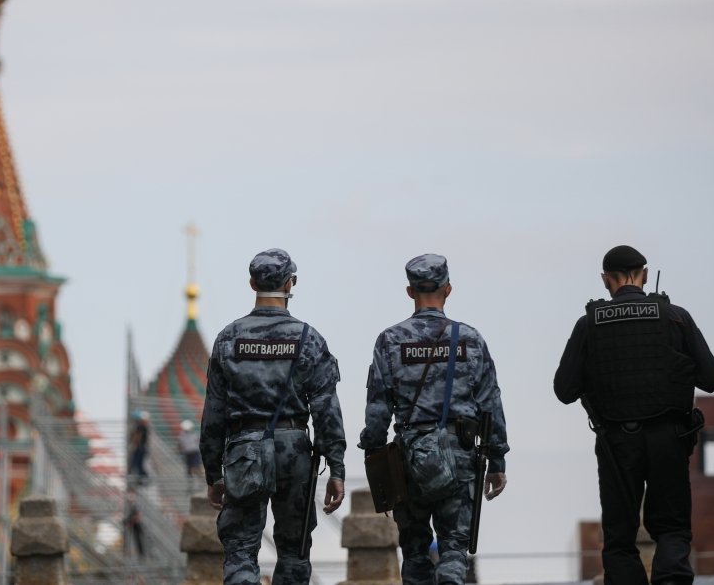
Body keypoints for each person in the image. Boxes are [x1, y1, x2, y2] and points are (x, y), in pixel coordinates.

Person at [554, 245, 714, 584]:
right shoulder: (675, 316)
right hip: (670, 438)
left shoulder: (589, 324)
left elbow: (564, 390)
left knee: (619, 536)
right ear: (644, 274)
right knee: (673, 527)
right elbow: (712, 379)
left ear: (605, 279)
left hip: (616, 442)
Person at [358, 253, 509, 585]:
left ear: (410, 292)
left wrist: (372, 452)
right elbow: (490, 403)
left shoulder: (389, 341)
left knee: (414, 552)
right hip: (461, 454)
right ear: (448, 289)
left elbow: (378, 408)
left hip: (409, 457)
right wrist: (497, 460)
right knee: (454, 550)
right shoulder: (470, 339)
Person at [200, 248, 346, 585]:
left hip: (243, 450)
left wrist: (213, 475)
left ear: (252, 283)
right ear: (290, 283)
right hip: (294, 448)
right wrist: (336, 468)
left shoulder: (229, 338)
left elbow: (214, 415)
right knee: (294, 552)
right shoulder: (309, 340)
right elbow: (326, 409)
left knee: (240, 550)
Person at [128, 410, 151, 483]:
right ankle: (141, 478)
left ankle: (142, 478)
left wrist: (135, 444)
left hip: (140, 448)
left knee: (137, 463)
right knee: (138, 464)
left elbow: (137, 437)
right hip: (142, 447)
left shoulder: (140, 427)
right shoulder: (144, 427)